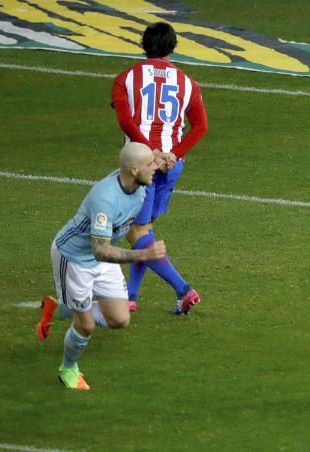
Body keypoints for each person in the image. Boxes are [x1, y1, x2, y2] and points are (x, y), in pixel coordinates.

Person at [36, 143, 168, 390]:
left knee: (119, 319)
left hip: (103, 256)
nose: (155, 168)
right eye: (150, 164)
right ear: (133, 170)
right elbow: (100, 249)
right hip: (75, 258)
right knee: (85, 325)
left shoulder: (137, 181)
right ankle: (68, 369)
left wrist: (162, 157)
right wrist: (143, 254)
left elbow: (144, 163)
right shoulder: (105, 199)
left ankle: (59, 310)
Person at [111, 21, 208, 314]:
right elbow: (201, 126)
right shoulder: (188, 82)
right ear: (173, 47)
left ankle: (183, 289)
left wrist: (149, 151)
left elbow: (126, 121)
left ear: (143, 44)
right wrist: (173, 154)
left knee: (134, 231)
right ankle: (132, 295)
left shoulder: (126, 78)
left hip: (141, 165)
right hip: (171, 165)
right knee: (144, 229)